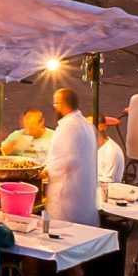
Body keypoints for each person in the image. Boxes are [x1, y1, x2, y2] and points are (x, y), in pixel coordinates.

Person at [45, 85, 100, 227]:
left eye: (56, 103)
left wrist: (46, 171)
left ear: (64, 105)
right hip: (83, 193)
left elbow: (68, 159)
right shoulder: (86, 125)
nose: (54, 106)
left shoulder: (69, 127)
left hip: (68, 195)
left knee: (65, 233)